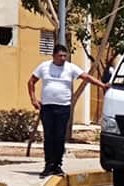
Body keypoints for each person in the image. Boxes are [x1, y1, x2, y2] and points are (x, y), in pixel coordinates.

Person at [28, 45, 110, 177]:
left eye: (64, 56)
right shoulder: (44, 66)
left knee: (60, 137)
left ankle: (57, 165)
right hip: (47, 107)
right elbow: (31, 81)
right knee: (49, 137)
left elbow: (86, 77)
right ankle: (48, 165)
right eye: (60, 55)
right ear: (53, 55)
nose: (63, 58)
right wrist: (33, 99)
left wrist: (102, 85)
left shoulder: (70, 68)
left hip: (63, 107)